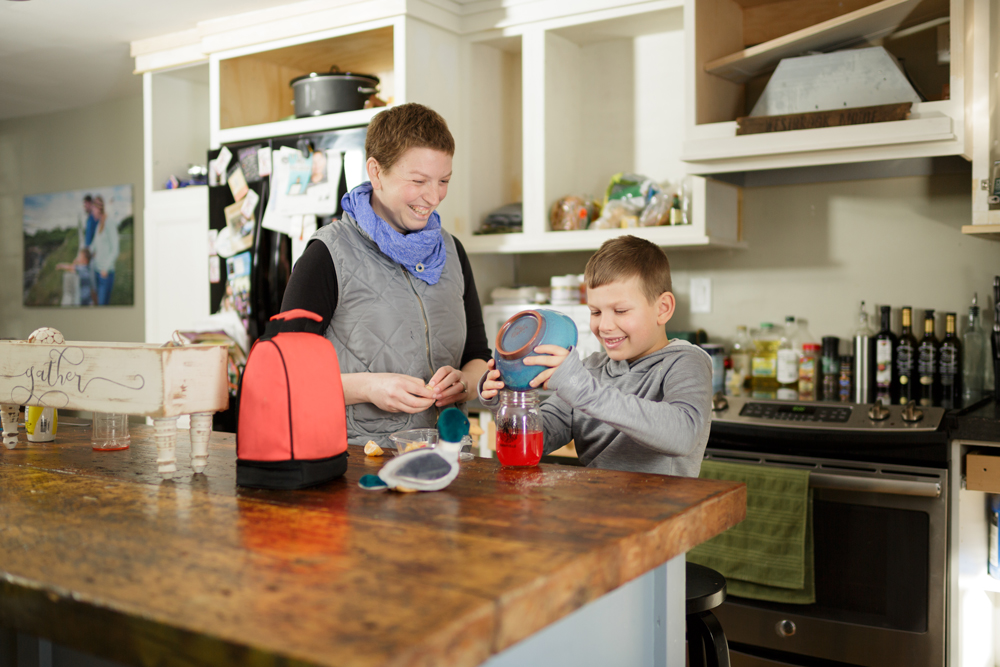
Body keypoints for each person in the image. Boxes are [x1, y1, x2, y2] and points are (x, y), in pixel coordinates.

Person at [280, 103, 491, 447]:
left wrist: (464, 383)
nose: (434, 196)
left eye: (444, 181)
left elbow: (477, 355)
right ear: (376, 172)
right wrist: (368, 388)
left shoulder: (452, 252)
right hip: (355, 463)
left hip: (447, 459)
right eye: (419, 181)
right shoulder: (328, 254)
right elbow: (282, 374)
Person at [478, 235, 713, 477]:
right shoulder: (590, 370)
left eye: (620, 311)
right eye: (595, 311)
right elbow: (539, 440)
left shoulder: (685, 361)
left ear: (662, 308)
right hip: (597, 509)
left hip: (665, 512)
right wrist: (508, 403)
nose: (605, 325)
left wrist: (582, 389)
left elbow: (683, 436)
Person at [89, 195, 119, 305]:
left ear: (99, 208)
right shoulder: (98, 225)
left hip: (105, 274)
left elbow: (115, 249)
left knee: (102, 306)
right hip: (97, 271)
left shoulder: (109, 222)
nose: (92, 213)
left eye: (93, 209)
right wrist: (84, 253)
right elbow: (93, 246)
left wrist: (105, 269)